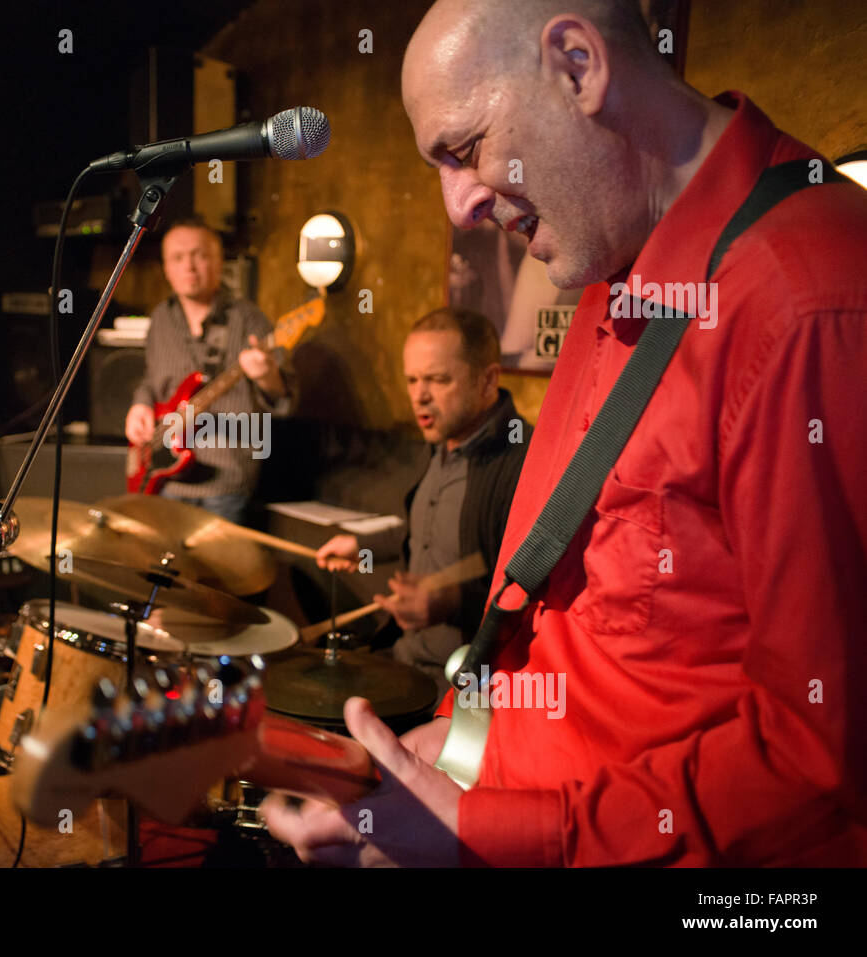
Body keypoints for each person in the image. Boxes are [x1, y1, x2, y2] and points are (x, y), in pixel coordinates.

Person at [263, 0, 867, 866]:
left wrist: (483, 833)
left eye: (463, 149)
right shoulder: (605, 258)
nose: (459, 204)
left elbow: (818, 763)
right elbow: (567, 634)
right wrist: (456, 756)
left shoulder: (809, 298)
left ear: (578, 63)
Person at [314, 308, 531, 694]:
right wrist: (363, 546)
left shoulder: (523, 463)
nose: (419, 397)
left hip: (461, 688)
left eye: (437, 380)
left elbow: (538, 599)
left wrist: (454, 602)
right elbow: (428, 531)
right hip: (402, 658)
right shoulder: (443, 442)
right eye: (412, 380)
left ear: (488, 381)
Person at [125, 218, 294, 524]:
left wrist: (267, 375)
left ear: (219, 263)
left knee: (218, 572)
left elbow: (283, 401)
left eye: (199, 255)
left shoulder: (249, 319)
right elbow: (152, 379)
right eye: (177, 258)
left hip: (225, 483)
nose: (189, 266)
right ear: (166, 268)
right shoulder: (161, 318)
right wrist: (139, 404)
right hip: (164, 477)